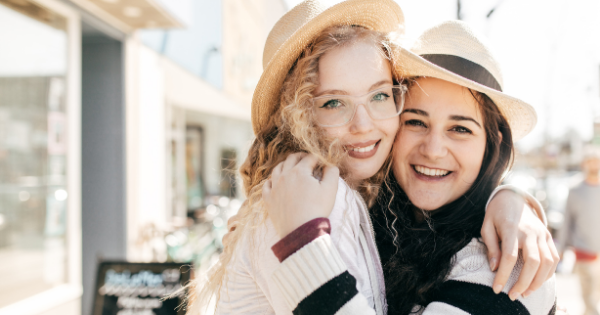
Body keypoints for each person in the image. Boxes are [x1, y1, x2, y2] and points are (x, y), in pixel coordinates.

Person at [186, 1, 557, 314]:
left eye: (460, 129)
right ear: (298, 115)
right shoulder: (324, 204)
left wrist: (510, 198)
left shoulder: (513, 258)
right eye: (415, 121)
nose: (432, 148)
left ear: (493, 144)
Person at [557, 146, 600, 315]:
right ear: (584, 164)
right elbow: (567, 221)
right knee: (590, 301)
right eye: (589, 162)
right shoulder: (575, 190)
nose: (593, 165)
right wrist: (561, 248)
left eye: (596, 161)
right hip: (584, 251)